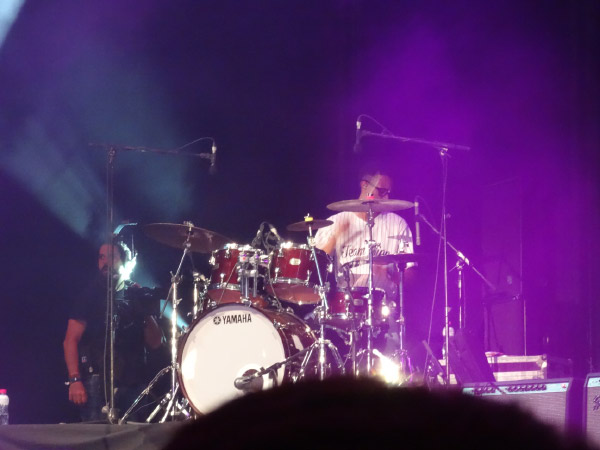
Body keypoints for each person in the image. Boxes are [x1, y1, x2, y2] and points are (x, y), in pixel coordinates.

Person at [313, 166, 415, 368]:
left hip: (384, 309)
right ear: (364, 186)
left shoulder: (398, 224)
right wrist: (335, 236)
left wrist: (392, 274)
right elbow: (315, 265)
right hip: (345, 309)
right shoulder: (335, 222)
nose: (386, 197)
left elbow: (411, 275)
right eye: (382, 191)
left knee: (389, 372)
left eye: (389, 192)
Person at [63, 242, 164, 422]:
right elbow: (70, 340)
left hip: (133, 381)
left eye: (111, 256)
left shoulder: (135, 293)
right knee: (95, 434)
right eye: (101, 257)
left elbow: (156, 342)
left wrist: (146, 313)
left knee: (133, 434)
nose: (105, 262)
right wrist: (74, 380)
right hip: (96, 380)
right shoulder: (89, 295)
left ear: (124, 261)